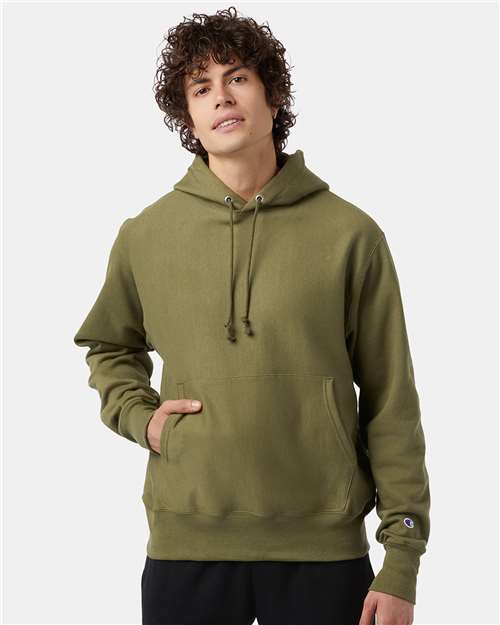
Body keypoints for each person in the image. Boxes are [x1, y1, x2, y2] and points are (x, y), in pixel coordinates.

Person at [73, 6, 431, 625]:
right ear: (188, 117)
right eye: (200, 87)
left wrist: (401, 558)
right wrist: (141, 419)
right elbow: (108, 345)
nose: (221, 97)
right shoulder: (145, 235)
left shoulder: (351, 234)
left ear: (273, 95)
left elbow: (390, 398)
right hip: (186, 545)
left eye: (237, 77)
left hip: (323, 549)